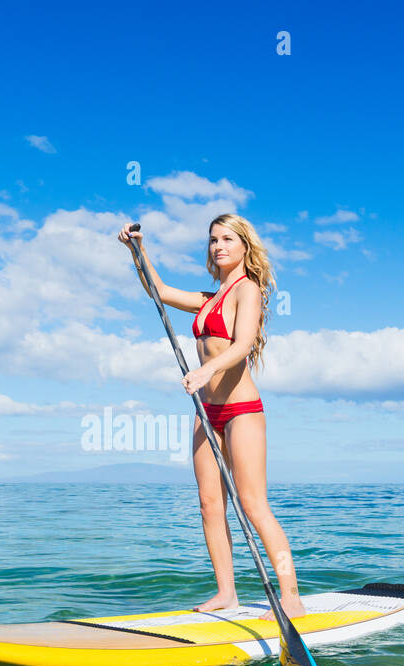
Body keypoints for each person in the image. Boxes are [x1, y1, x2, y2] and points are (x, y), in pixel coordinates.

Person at [118, 214, 306, 620]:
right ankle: (227, 593)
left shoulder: (247, 290)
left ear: (244, 247)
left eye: (226, 239)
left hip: (242, 411)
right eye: (212, 240)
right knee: (209, 504)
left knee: (254, 504)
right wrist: (139, 251)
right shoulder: (210, 298)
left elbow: (243, 344)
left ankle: (290, 595)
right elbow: (159, 292)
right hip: (208, 412)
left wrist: (207, 370)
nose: (218, 246)